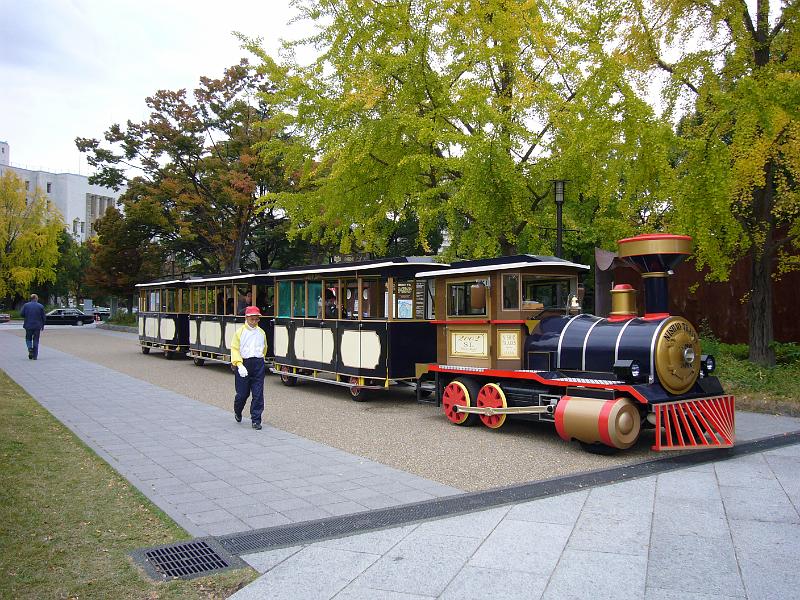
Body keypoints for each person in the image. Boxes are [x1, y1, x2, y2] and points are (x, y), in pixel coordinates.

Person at [230, 306, 268, 430]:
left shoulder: (261, 332)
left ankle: (256, 420)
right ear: (246, 318)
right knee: (242, 393)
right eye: (252, 319)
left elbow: (264, 348)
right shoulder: (240, 332)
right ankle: (238, 409)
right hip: (244, 363)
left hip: (257, 363)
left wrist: (261, 360)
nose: (254, 322)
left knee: (258, 393)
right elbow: (235, 349)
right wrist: (238, 364)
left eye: (256, 320)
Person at [20, 293, 46, 360]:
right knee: (36, 340)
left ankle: (30, 348)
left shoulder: (26, 305)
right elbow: (43, 317)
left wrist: (27, 316)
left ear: (31, 299)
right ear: (36, 299)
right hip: (37, 326)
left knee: (28, 338)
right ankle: (35, 356)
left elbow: (21, 314)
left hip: (28, 325)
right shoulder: (40, 306)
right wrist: (43, 325)